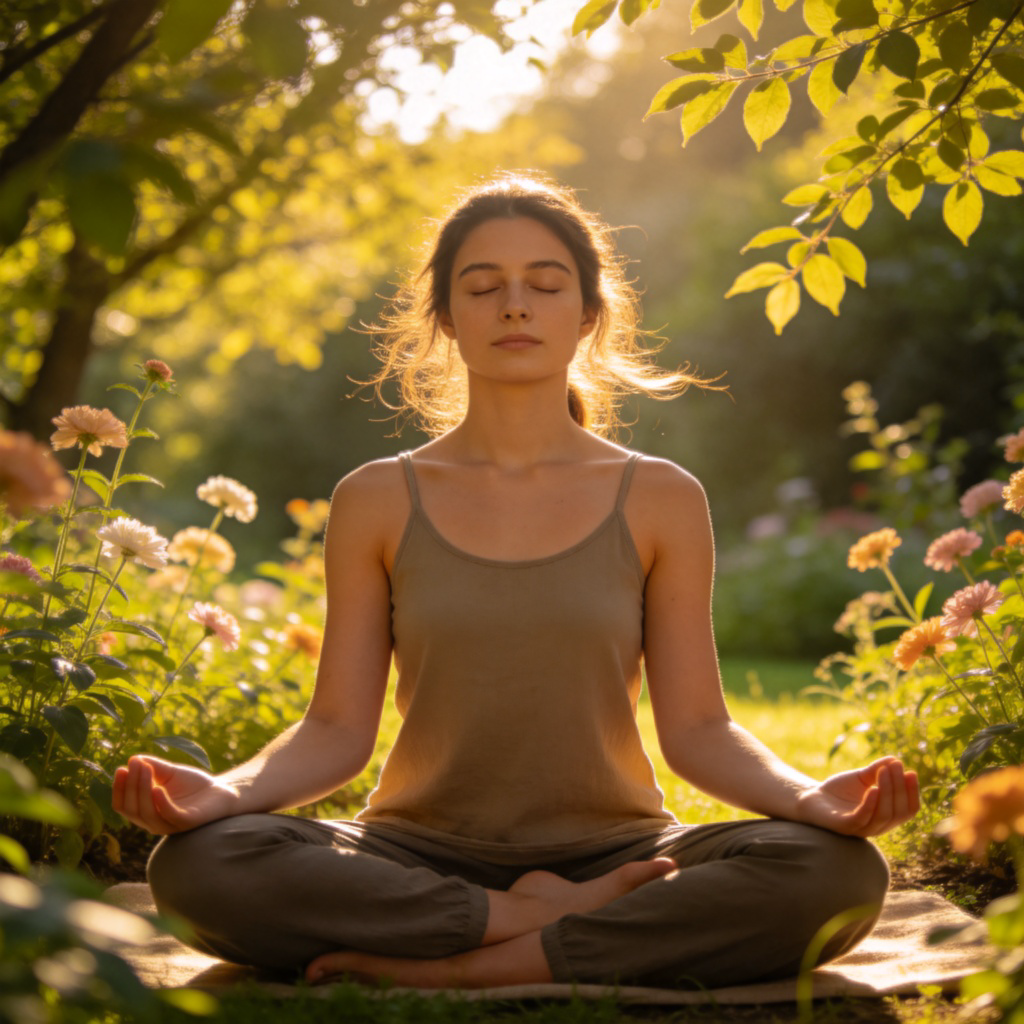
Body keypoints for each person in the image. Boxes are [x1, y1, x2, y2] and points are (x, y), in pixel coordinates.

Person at [113, 173, 919, 991]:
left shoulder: (662, 497)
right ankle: (538, 927)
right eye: (483, 286)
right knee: (199, 865)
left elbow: (701, 731)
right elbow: (334, 731)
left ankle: (452, 968)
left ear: (588, 314)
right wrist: (226, 793)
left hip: (620, 849)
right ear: (446, 319)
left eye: (545, 283)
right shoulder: (377, 497)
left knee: (836, 875)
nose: (514, 306)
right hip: (414, 851)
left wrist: (810, 800)